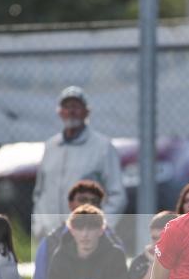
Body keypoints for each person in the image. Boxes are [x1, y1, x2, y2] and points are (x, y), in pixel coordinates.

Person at [31, 86, 125, 234]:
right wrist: (39, 226)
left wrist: (102, 226)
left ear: (87, 112)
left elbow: (117, 195)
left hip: (86, 237)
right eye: (67, 107)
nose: (71, 111)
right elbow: (39, 193)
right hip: (52, 235)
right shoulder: (50, 146)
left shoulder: (103, 147)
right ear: (60, 112)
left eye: (76, 106)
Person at [32, 180, 122, 279]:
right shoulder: (50, 243)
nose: (88, 204)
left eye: (95, 201)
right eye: (82, 199)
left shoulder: (114, 244)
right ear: (70, 204)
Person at [127, 210, 177, 279]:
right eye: (154, 238)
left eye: (163, 237)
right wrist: (154, 267)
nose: (158, 243)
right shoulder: (140, 261)